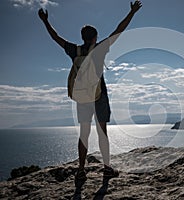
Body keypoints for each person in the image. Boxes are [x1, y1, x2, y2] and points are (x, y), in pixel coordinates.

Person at [38, 1, 142, 182]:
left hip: (82, 97)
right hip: (99, 96)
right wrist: (132, 12)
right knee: (103, 132)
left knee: (84, 134)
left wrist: (45, 21)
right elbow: (119, 30)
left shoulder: (74, 50)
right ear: (95, 37)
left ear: (83, 37)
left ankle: (80, 170)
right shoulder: (99, 50)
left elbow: (56, 37)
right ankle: (107, 169)